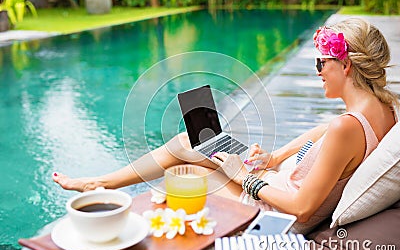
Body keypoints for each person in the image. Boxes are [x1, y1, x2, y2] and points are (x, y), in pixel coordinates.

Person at [53, 18, 398, 233]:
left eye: (322, 62)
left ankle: (101, 194)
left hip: (277, 213)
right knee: (189, 142)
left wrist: (241, 176)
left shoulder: (347, 127)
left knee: (187, 170)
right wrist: (274, 158)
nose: (318, 71)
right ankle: (99, 182)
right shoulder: (382, 108)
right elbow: (323, 131)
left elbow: (303, 209)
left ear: (345, 66)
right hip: (274, 183)